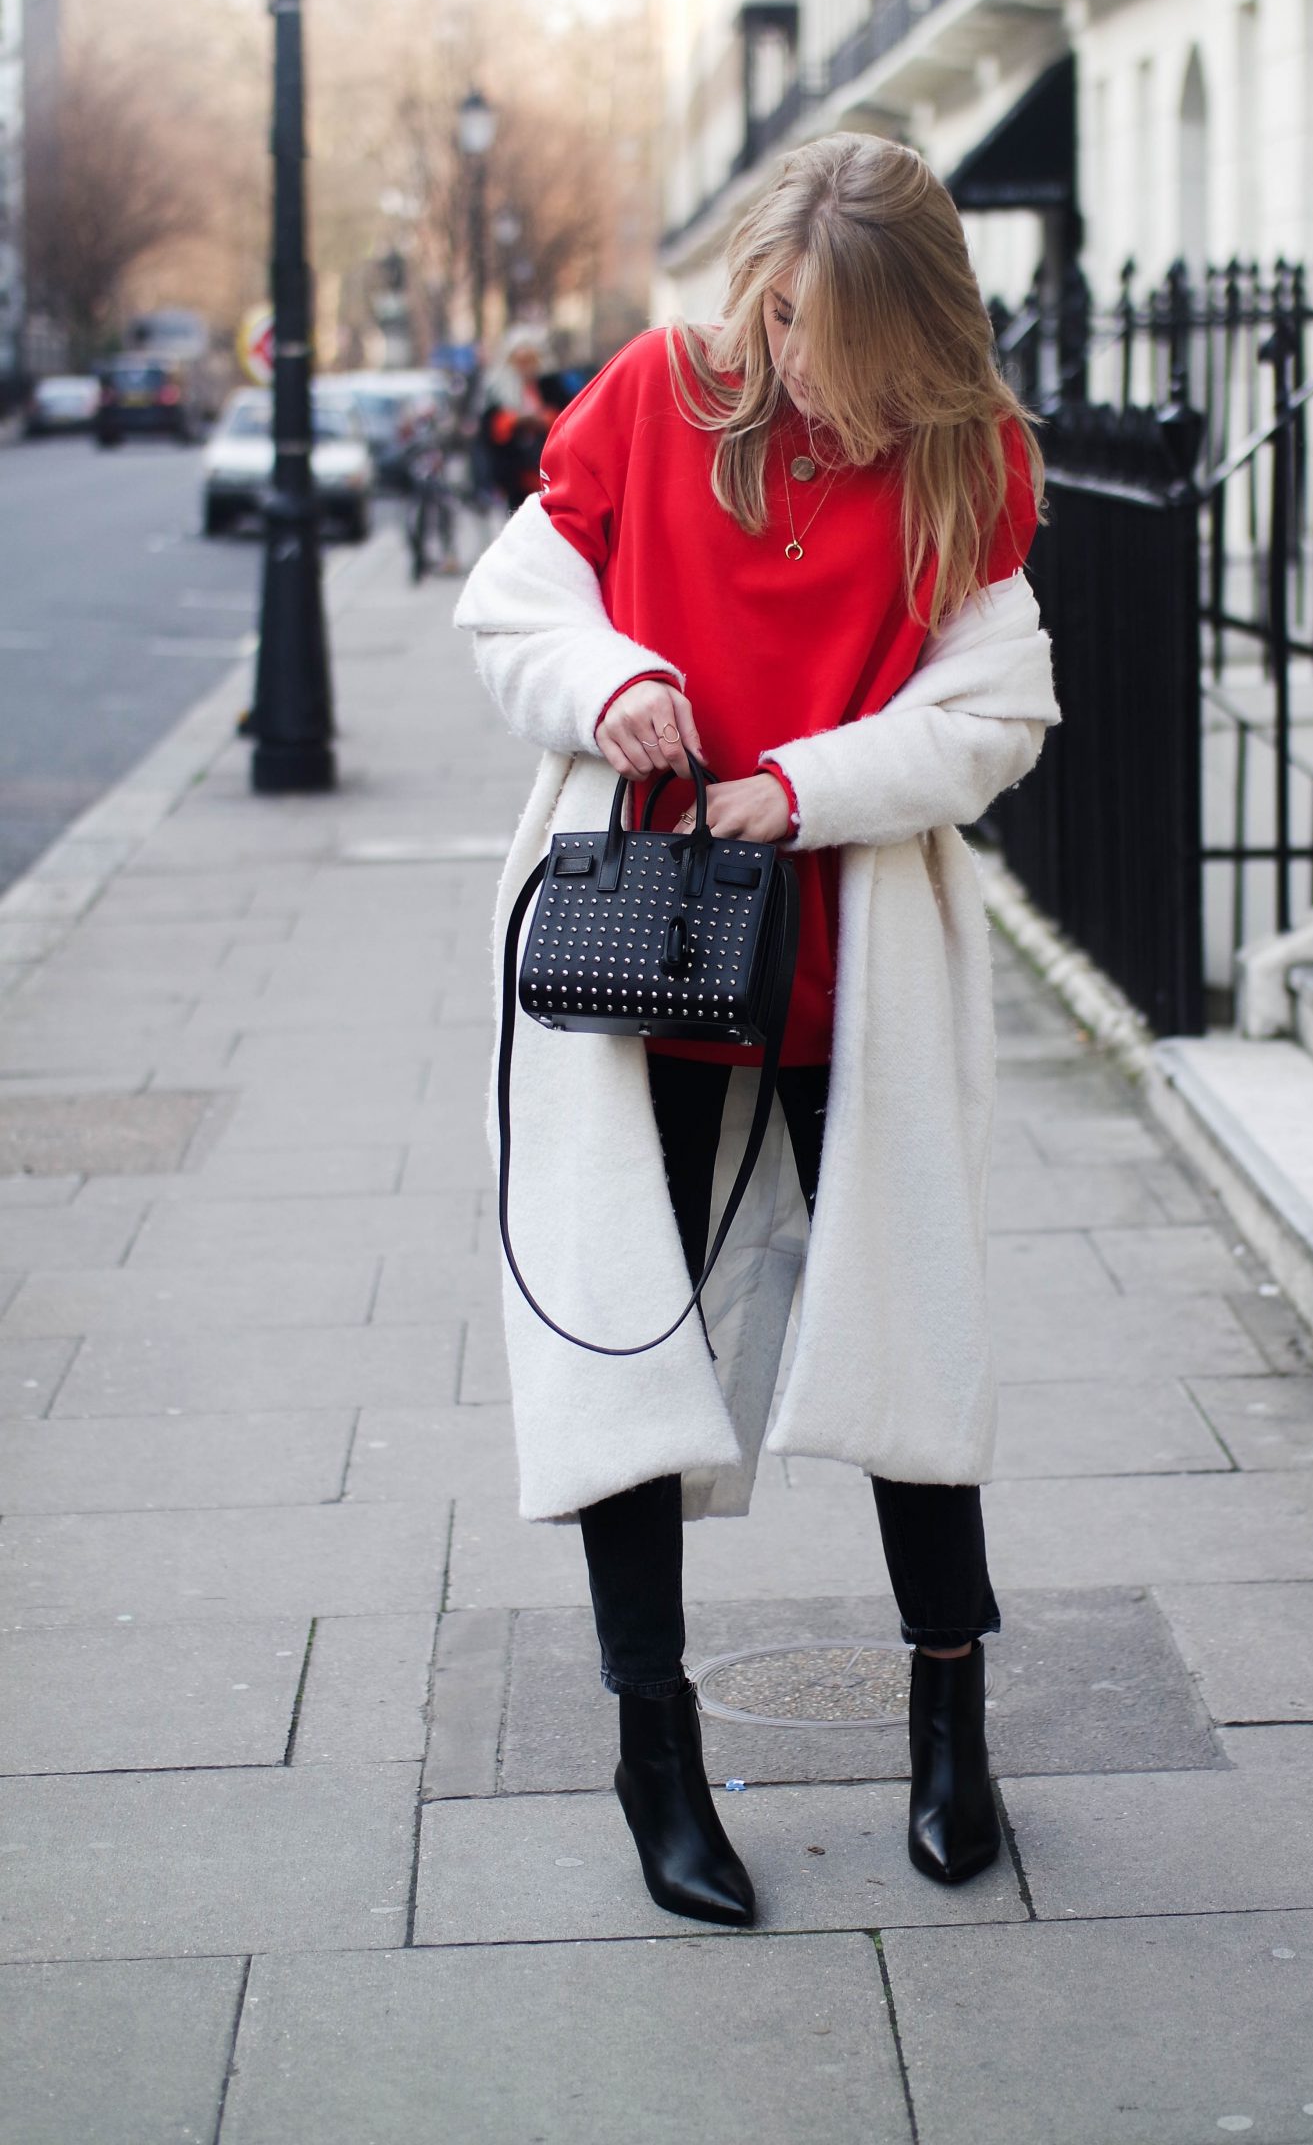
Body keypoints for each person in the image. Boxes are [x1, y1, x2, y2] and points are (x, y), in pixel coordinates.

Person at [454, 133, 1059, 1930]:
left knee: (904, 1339)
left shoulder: (966, 460)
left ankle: (951, 1722)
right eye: (781, 320)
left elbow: (998, 709)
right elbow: (514, 608)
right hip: (635, 947)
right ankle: (658, 1751)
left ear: (916, 335)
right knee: (622, 1341)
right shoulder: (661, 396)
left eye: (832, 340)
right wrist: (616, 679)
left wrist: (800, 785)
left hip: (846, 954)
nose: (796, 368)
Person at [478, 325, 554, 510]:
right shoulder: (499, 390)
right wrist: (515, 421)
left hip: (546, 471)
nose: (524, 366)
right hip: (516, 472)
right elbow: (492, 427)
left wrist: (543, 420)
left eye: (529, 360)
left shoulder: (550, 386)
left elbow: (563, 418)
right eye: (519, 361)